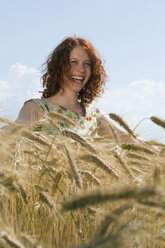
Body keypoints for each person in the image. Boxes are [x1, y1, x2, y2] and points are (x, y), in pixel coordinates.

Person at [15, 36, 132, 142]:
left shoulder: (94, 115)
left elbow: (133, 142)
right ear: (59, 67)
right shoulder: (36, 108)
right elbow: (9, 135)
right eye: (73, 62)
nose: (81, 69)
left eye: (87, 64)